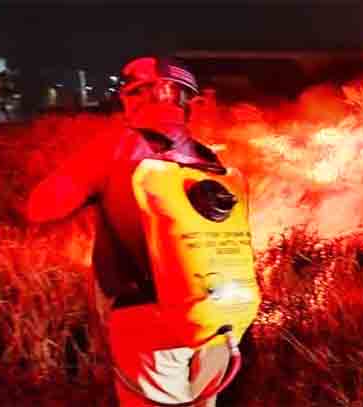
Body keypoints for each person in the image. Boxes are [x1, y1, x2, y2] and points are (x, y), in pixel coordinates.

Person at [25, 57, 259, 406]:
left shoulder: (115, 148)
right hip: (218, 316)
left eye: (132, 92)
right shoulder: (210, 160)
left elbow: (40, 208)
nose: (125, 100)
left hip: (148, 319)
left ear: (163, 92)